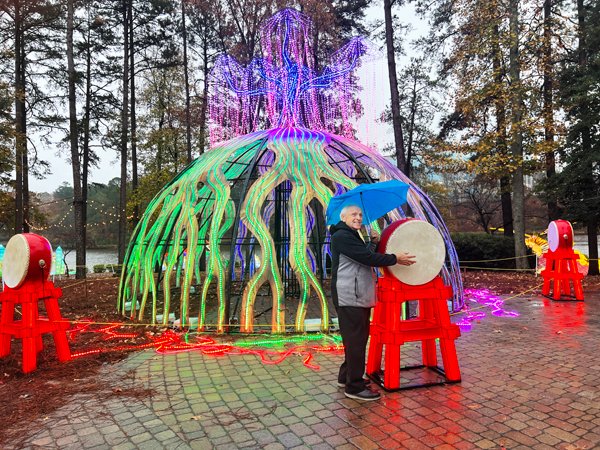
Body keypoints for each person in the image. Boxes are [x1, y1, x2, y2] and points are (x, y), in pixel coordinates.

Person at [330, 204, 416, 401]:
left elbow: (360, 256)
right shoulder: (343, 236)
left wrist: (373, 243)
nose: (359, 217)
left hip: (355, 294)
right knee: (356, 341)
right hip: (351, 296)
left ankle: (346, 378)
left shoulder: (349, 235)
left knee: (354, 340)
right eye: (354, 214)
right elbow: (366, 258)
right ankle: (354, 387)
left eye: (360, 214)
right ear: (343, 217)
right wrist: (396, 258)